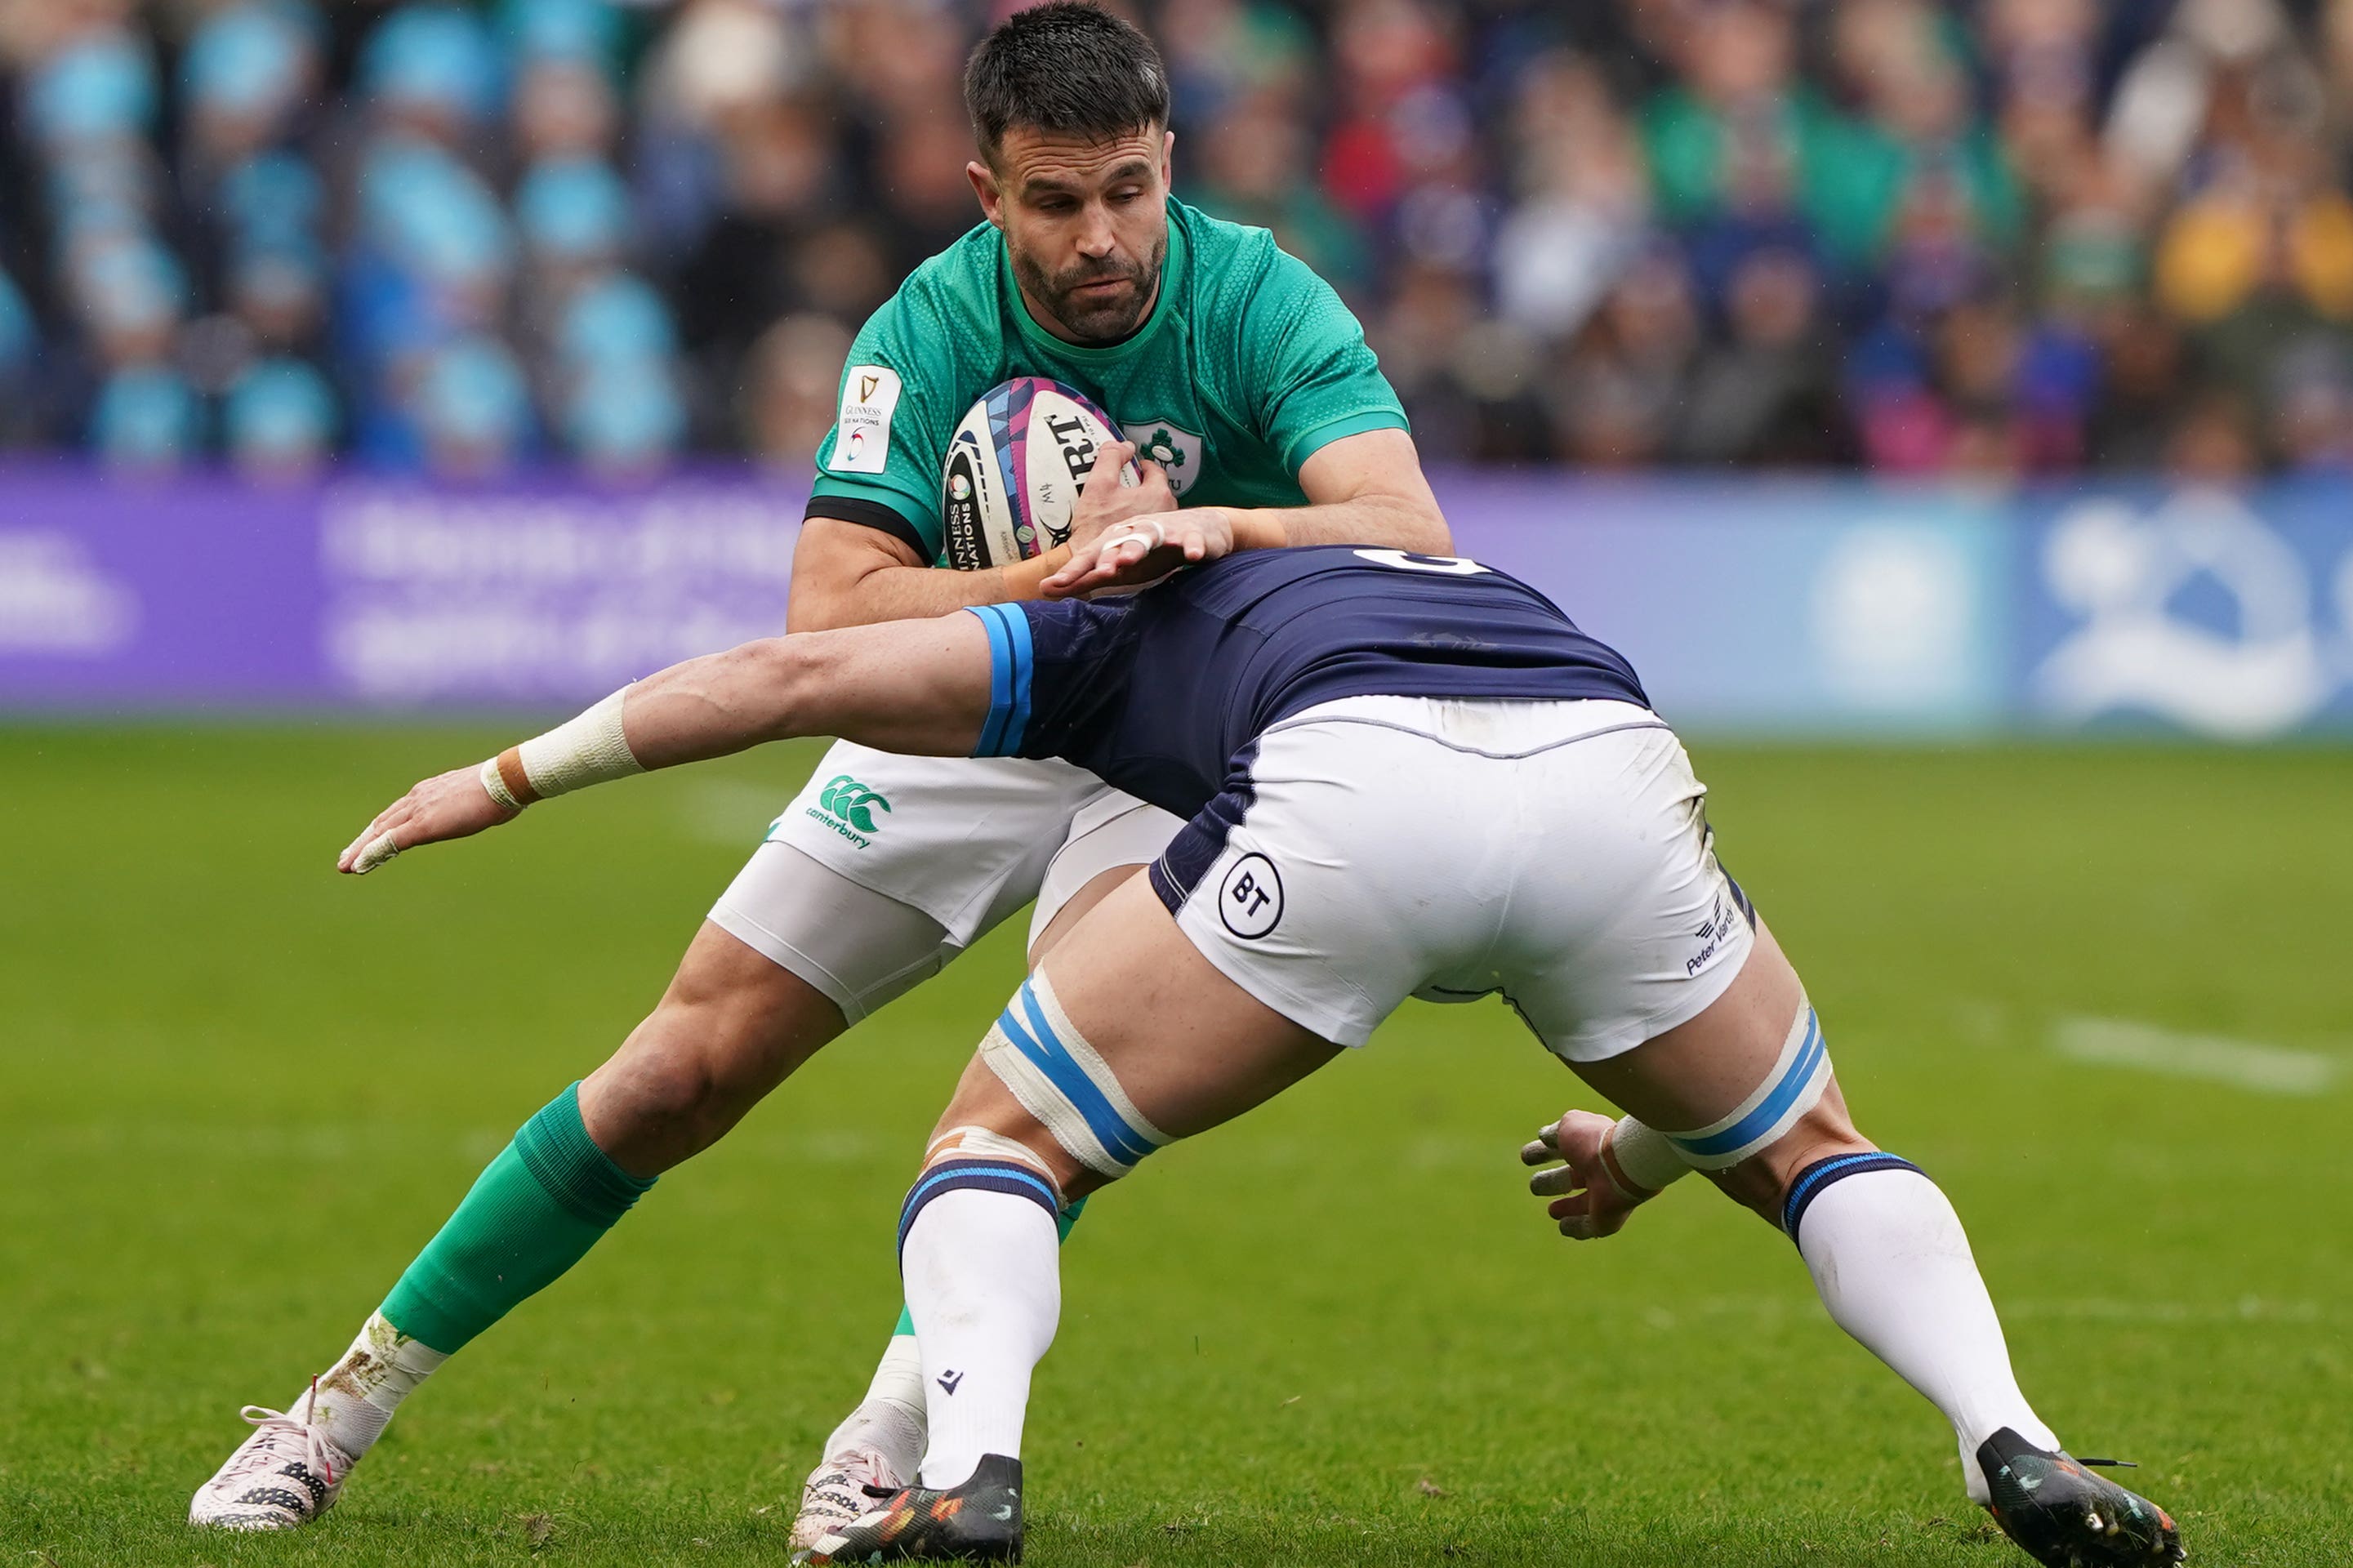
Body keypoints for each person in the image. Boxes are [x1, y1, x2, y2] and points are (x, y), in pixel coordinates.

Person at [305, 520, 2184, 1568]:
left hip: (1352, 797)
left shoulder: (1089, 635)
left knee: (1005, 1144)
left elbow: (794, 677)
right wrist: (1635, 1149)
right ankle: (2009, 1437)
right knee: (1809, 1142)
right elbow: (1713, 1028)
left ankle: (967, 1479)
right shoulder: (1423, 564)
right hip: (1606, 758)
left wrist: (507, 774)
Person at [187, 0, 1447, 1535]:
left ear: (1167, 158)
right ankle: (342, 1405)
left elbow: (1403, 524)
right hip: (972, 712)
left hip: (1174, 746)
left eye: (1128, 187)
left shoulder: (1259, 293)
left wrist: (1205, 534)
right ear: (987, 192)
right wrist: (1059, 572)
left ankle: (883, 1442)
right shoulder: (923, 328)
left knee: (1035, 1122)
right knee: (673, 1074)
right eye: (1055, 201)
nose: (1102, 235)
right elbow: (829, 612)